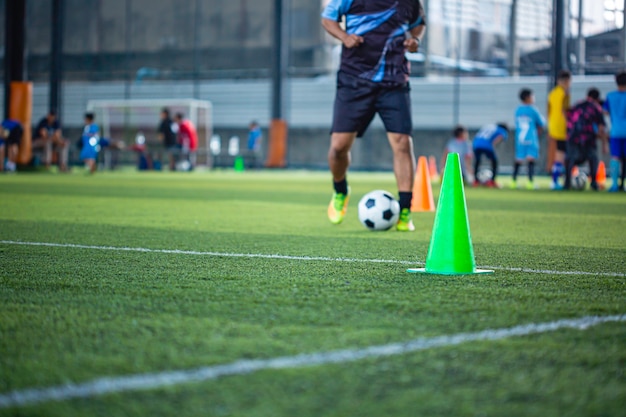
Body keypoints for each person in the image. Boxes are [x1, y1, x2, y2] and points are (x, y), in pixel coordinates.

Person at [321, 0, 426, 232]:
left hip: (394, 81)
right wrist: (344, 37)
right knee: (338, 147)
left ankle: (405, 210)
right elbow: (327, 18)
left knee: (402, 143)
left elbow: (419, 23)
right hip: (353, 81)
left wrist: (415, 39)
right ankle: (340, 191)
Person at [564, 88, 607, 191]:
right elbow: (601, 127)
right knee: (593, 158)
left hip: (572, 136)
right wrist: (604, 143)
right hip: (588, 137)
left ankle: (567, 183)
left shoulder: (577, 105)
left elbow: (568, 117)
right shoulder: (596, 107)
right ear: (596, 98)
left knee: (570, 159)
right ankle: (593, 183)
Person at [511, 88, 546, 190]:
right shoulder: (532, 109)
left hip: (520, 139)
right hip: (531, 138)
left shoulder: (518, 110)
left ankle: (513, 181)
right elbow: (541, 122)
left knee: (519, 159)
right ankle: (530, 182)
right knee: (531, 159)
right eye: (532, 96)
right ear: (528, 98)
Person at [547, 70, 572, 190]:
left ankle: (555, 180)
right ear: (567, 81)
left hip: (553, 126)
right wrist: (570, 124)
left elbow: (549, 110)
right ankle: (558, 181)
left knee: (558, 153)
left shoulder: (552, 93)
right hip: (563, 127)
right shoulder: (565, 93)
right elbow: (565, 110)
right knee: (562, 155)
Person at [602, 70, 626, 192]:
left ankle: (615, 185)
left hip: (615, 131)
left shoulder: (610, 96)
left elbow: (605, 112)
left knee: (615, 157)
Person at [471, 123, 509, 188]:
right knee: (494, 161)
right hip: (487, 145)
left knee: (477, 161)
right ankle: (492, 181)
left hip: (476, 143)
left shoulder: (489, 126)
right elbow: (499, 137)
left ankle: (475, 181)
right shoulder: (502, 130)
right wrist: (493, 145)